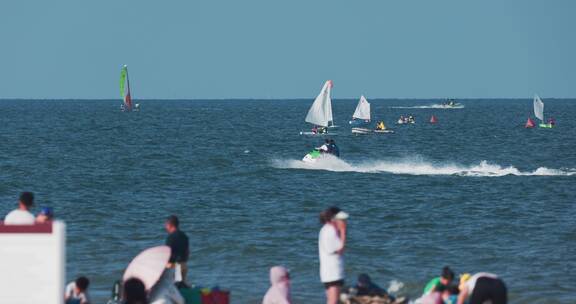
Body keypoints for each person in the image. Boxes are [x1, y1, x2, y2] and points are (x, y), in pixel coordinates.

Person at [318, 207, 349, 304]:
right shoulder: (330, 231)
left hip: (330, 272)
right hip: (332, 273)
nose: (344, 222)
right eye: (341, 220)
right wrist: (343, 231)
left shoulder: (326, 230)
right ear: (333, 219)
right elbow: (340, 249)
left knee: (333, 300)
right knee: (333, 301)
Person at [164, 215, 189, 283]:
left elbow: (168, 254)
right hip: (184, 265)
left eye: (166, 225)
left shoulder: (171, 237)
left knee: (175, 286)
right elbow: (187, 252)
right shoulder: (184, 236)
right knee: (182, 286)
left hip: (175, 267)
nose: (165, 227)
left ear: (170, 225)